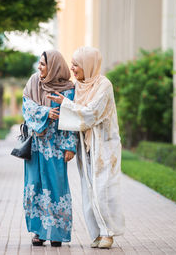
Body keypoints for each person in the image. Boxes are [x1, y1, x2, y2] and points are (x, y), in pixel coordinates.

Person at [48, 46, 125, 249]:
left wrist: (66, 104)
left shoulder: (103, 85)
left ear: (89, 65)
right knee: (88, 188)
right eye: (72, 64)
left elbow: (91, 114)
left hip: (104, 145)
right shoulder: (79, 86)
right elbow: (77, 115)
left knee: (103, 189)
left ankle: (109, 232)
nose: (73, 68)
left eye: (76, 64)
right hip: (86, 145)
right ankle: (98, 232)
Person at [22, 50, 78, 247]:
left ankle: (57, 233)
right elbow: (26, 106)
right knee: (35, 185)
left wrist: (70, 146)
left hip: (57, 146)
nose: (40, 67)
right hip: (36, 144)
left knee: (56, 187)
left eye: (43, 64)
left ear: (54, 66)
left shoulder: (69, 89)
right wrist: (46, 112)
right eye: (39, 63)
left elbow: (73, 117)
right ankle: (38, 232)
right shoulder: (34, 82)